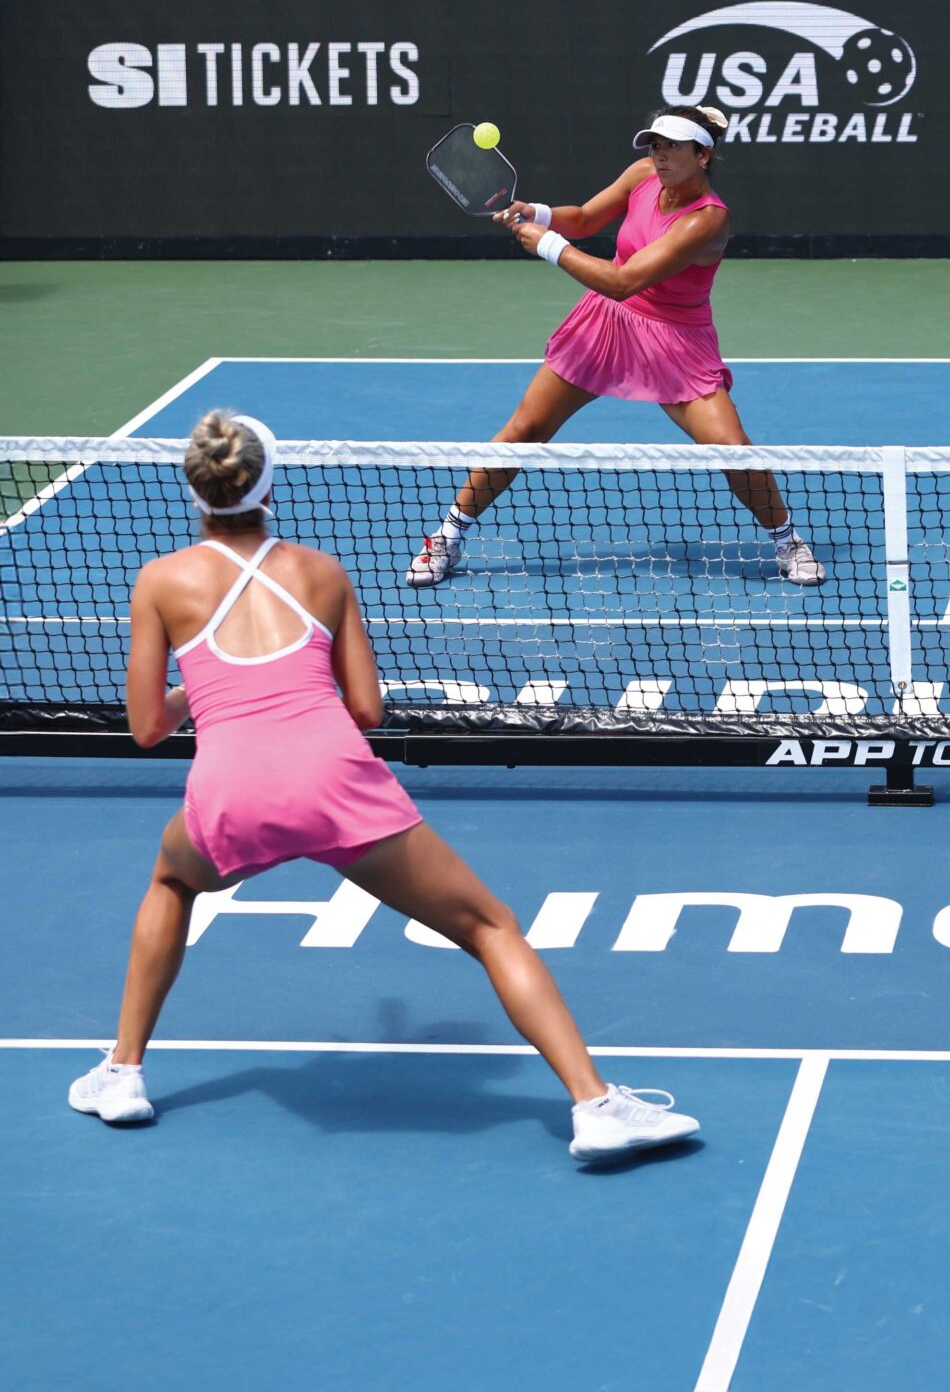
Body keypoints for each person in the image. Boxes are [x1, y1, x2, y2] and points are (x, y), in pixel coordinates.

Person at [70, 411, 698, 1163]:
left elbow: (146, 726)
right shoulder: (321, 573)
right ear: (267, 484)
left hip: (231, 791)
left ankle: (123, 1073)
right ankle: (595, 1106)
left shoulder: (160, 581)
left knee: (173, 880)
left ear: (195, 489)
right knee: (490, 927)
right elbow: (365, 707)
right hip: (335, 784)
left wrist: (199, 690)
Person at [404, 104, 823, 589]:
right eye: (655, 145)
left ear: (703, 155)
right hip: (604, 326)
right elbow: (582, 218)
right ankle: (447, 537)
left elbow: (623, 281)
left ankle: (787, 540)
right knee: (525, 428)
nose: (660, 156)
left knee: (732, 447)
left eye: (672, 147)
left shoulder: (707, 220)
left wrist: (546, 245)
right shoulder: (644, 174)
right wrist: (536, 213)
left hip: (674, 339)